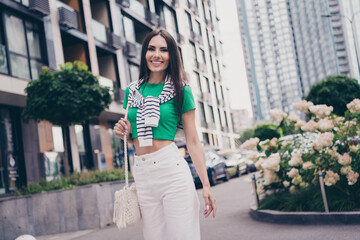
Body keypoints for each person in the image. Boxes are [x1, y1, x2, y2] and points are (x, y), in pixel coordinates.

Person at [113, 28, 216, 240]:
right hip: (142, 173)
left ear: (172, 56)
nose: (156, 55)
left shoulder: (181, 90)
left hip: (171, 170)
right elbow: (134, 137)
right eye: (151, 49)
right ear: (144, 53)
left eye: (164, 50)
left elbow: (193, 141)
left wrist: (206, 185)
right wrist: (122, 132)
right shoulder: (132, 91)